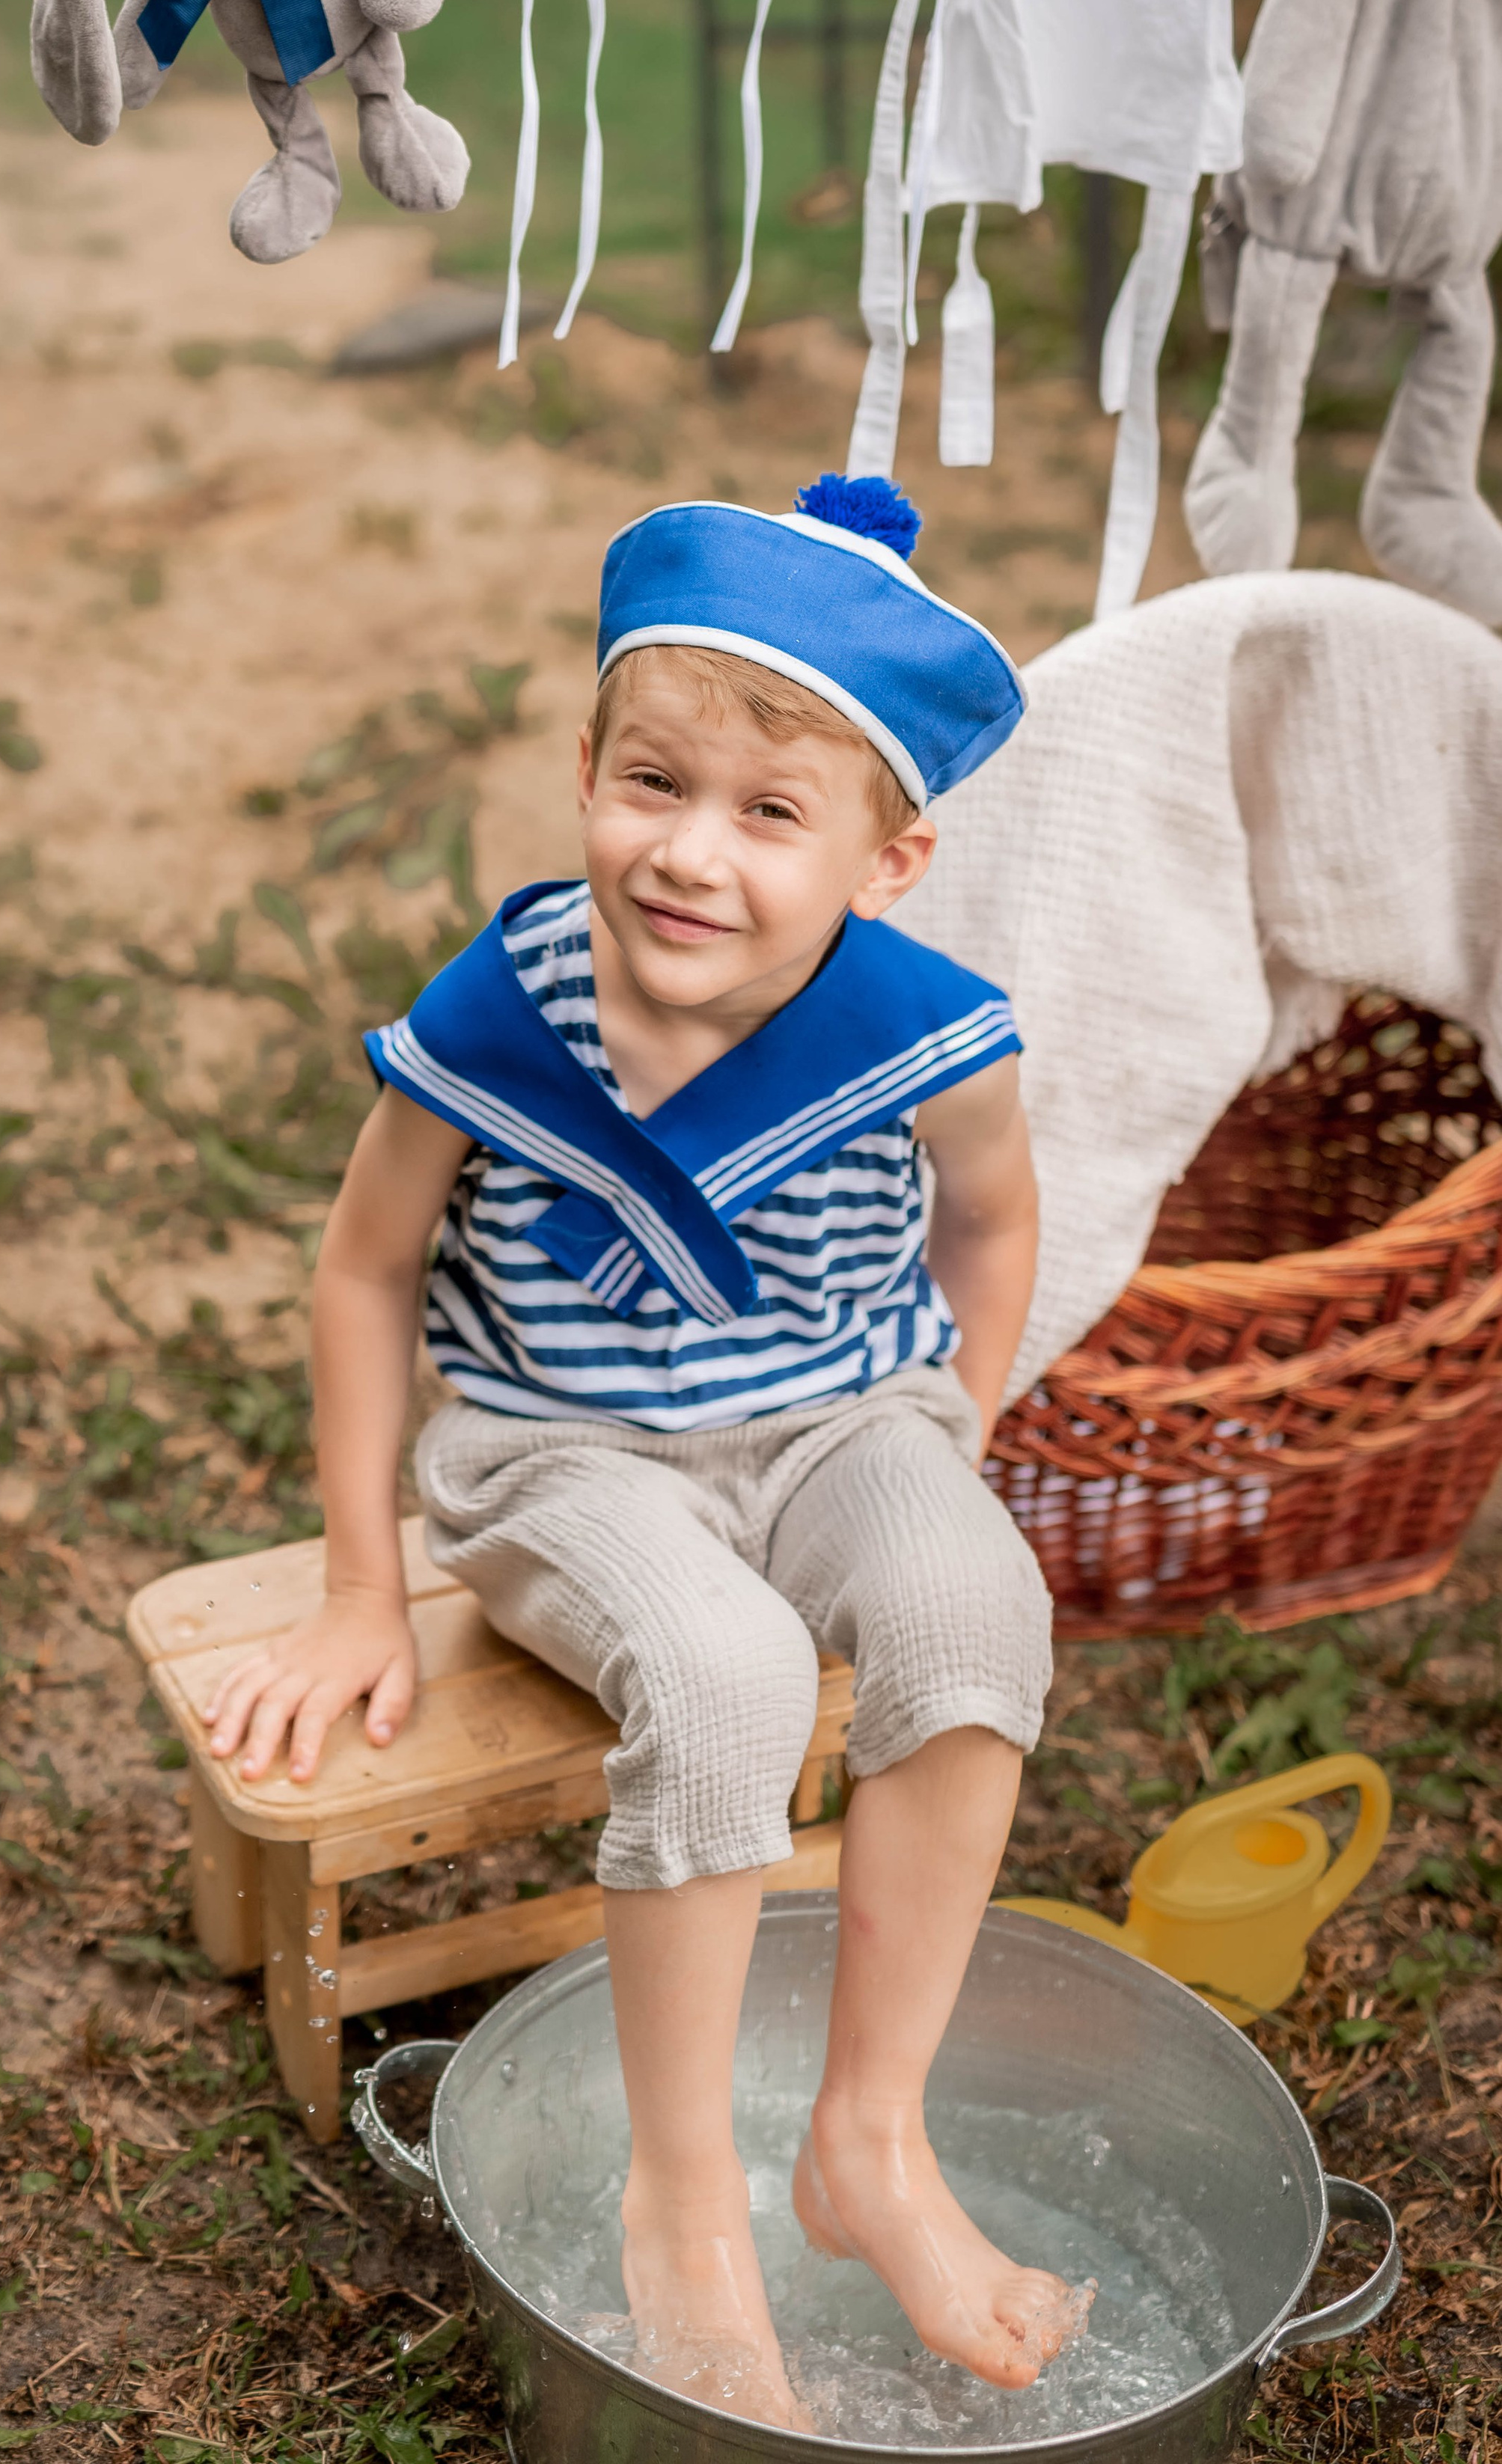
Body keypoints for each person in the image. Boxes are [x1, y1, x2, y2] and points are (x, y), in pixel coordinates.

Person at [204, 474, 1082, 2420]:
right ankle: (683, 2194)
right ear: (587, 758)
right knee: (728, 1670)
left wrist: (952, 1431)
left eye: (770, 814)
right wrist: (369, 1582)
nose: (690, 855)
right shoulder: (503, 1008)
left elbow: (997, 1223)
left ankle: (868, 2135)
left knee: (972, 1599)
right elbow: (364, 1272)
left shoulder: (932, 1033)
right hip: (564, 1451)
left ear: (893, 851)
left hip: (838, 1414)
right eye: (650, 783)